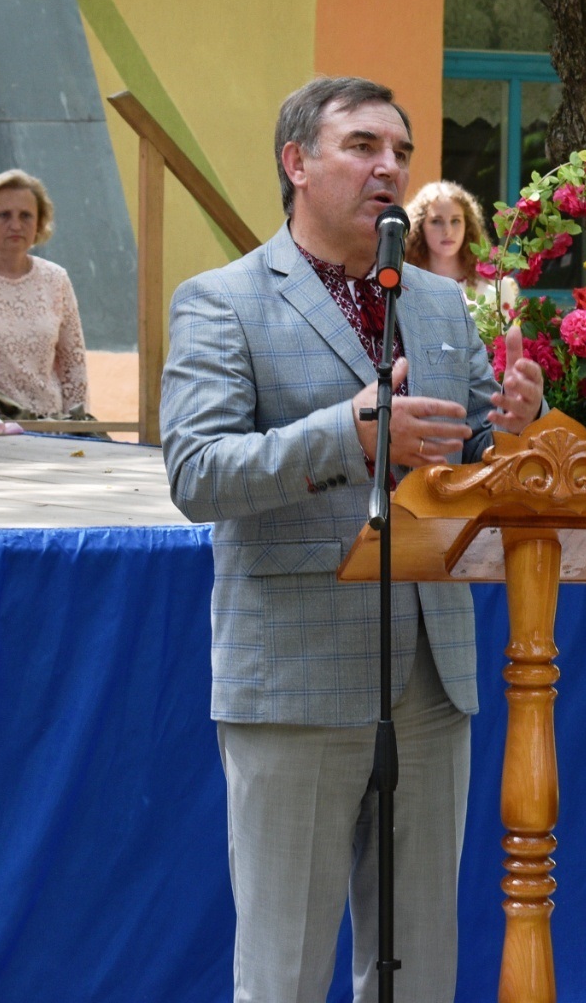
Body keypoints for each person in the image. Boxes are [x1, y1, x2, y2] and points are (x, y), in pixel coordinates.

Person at [160, 76, 545, 1003]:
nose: (391, 168)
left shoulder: (444, 305)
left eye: (401, 152)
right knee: (285, 969)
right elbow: (197, 474)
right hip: (296, 675)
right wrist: (349, 435)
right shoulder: (223, 300)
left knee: (417, 970)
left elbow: (470, 455)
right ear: (297, 162)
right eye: (364, 146)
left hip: (430, 674)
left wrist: (517, 434)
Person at [0, 169, 90, 420]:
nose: (15, 225)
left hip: (50, 430)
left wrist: (78, 429)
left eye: (26, 216)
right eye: (4, 215)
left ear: (39, 223)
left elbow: (73, 367)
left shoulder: (56, 279)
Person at [405, 179, 493, 306]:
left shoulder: (492, 287)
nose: (448, 231)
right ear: (419, 226)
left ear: (467, 224)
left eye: (455, 221)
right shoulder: (404, 286)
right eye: (436, 221)